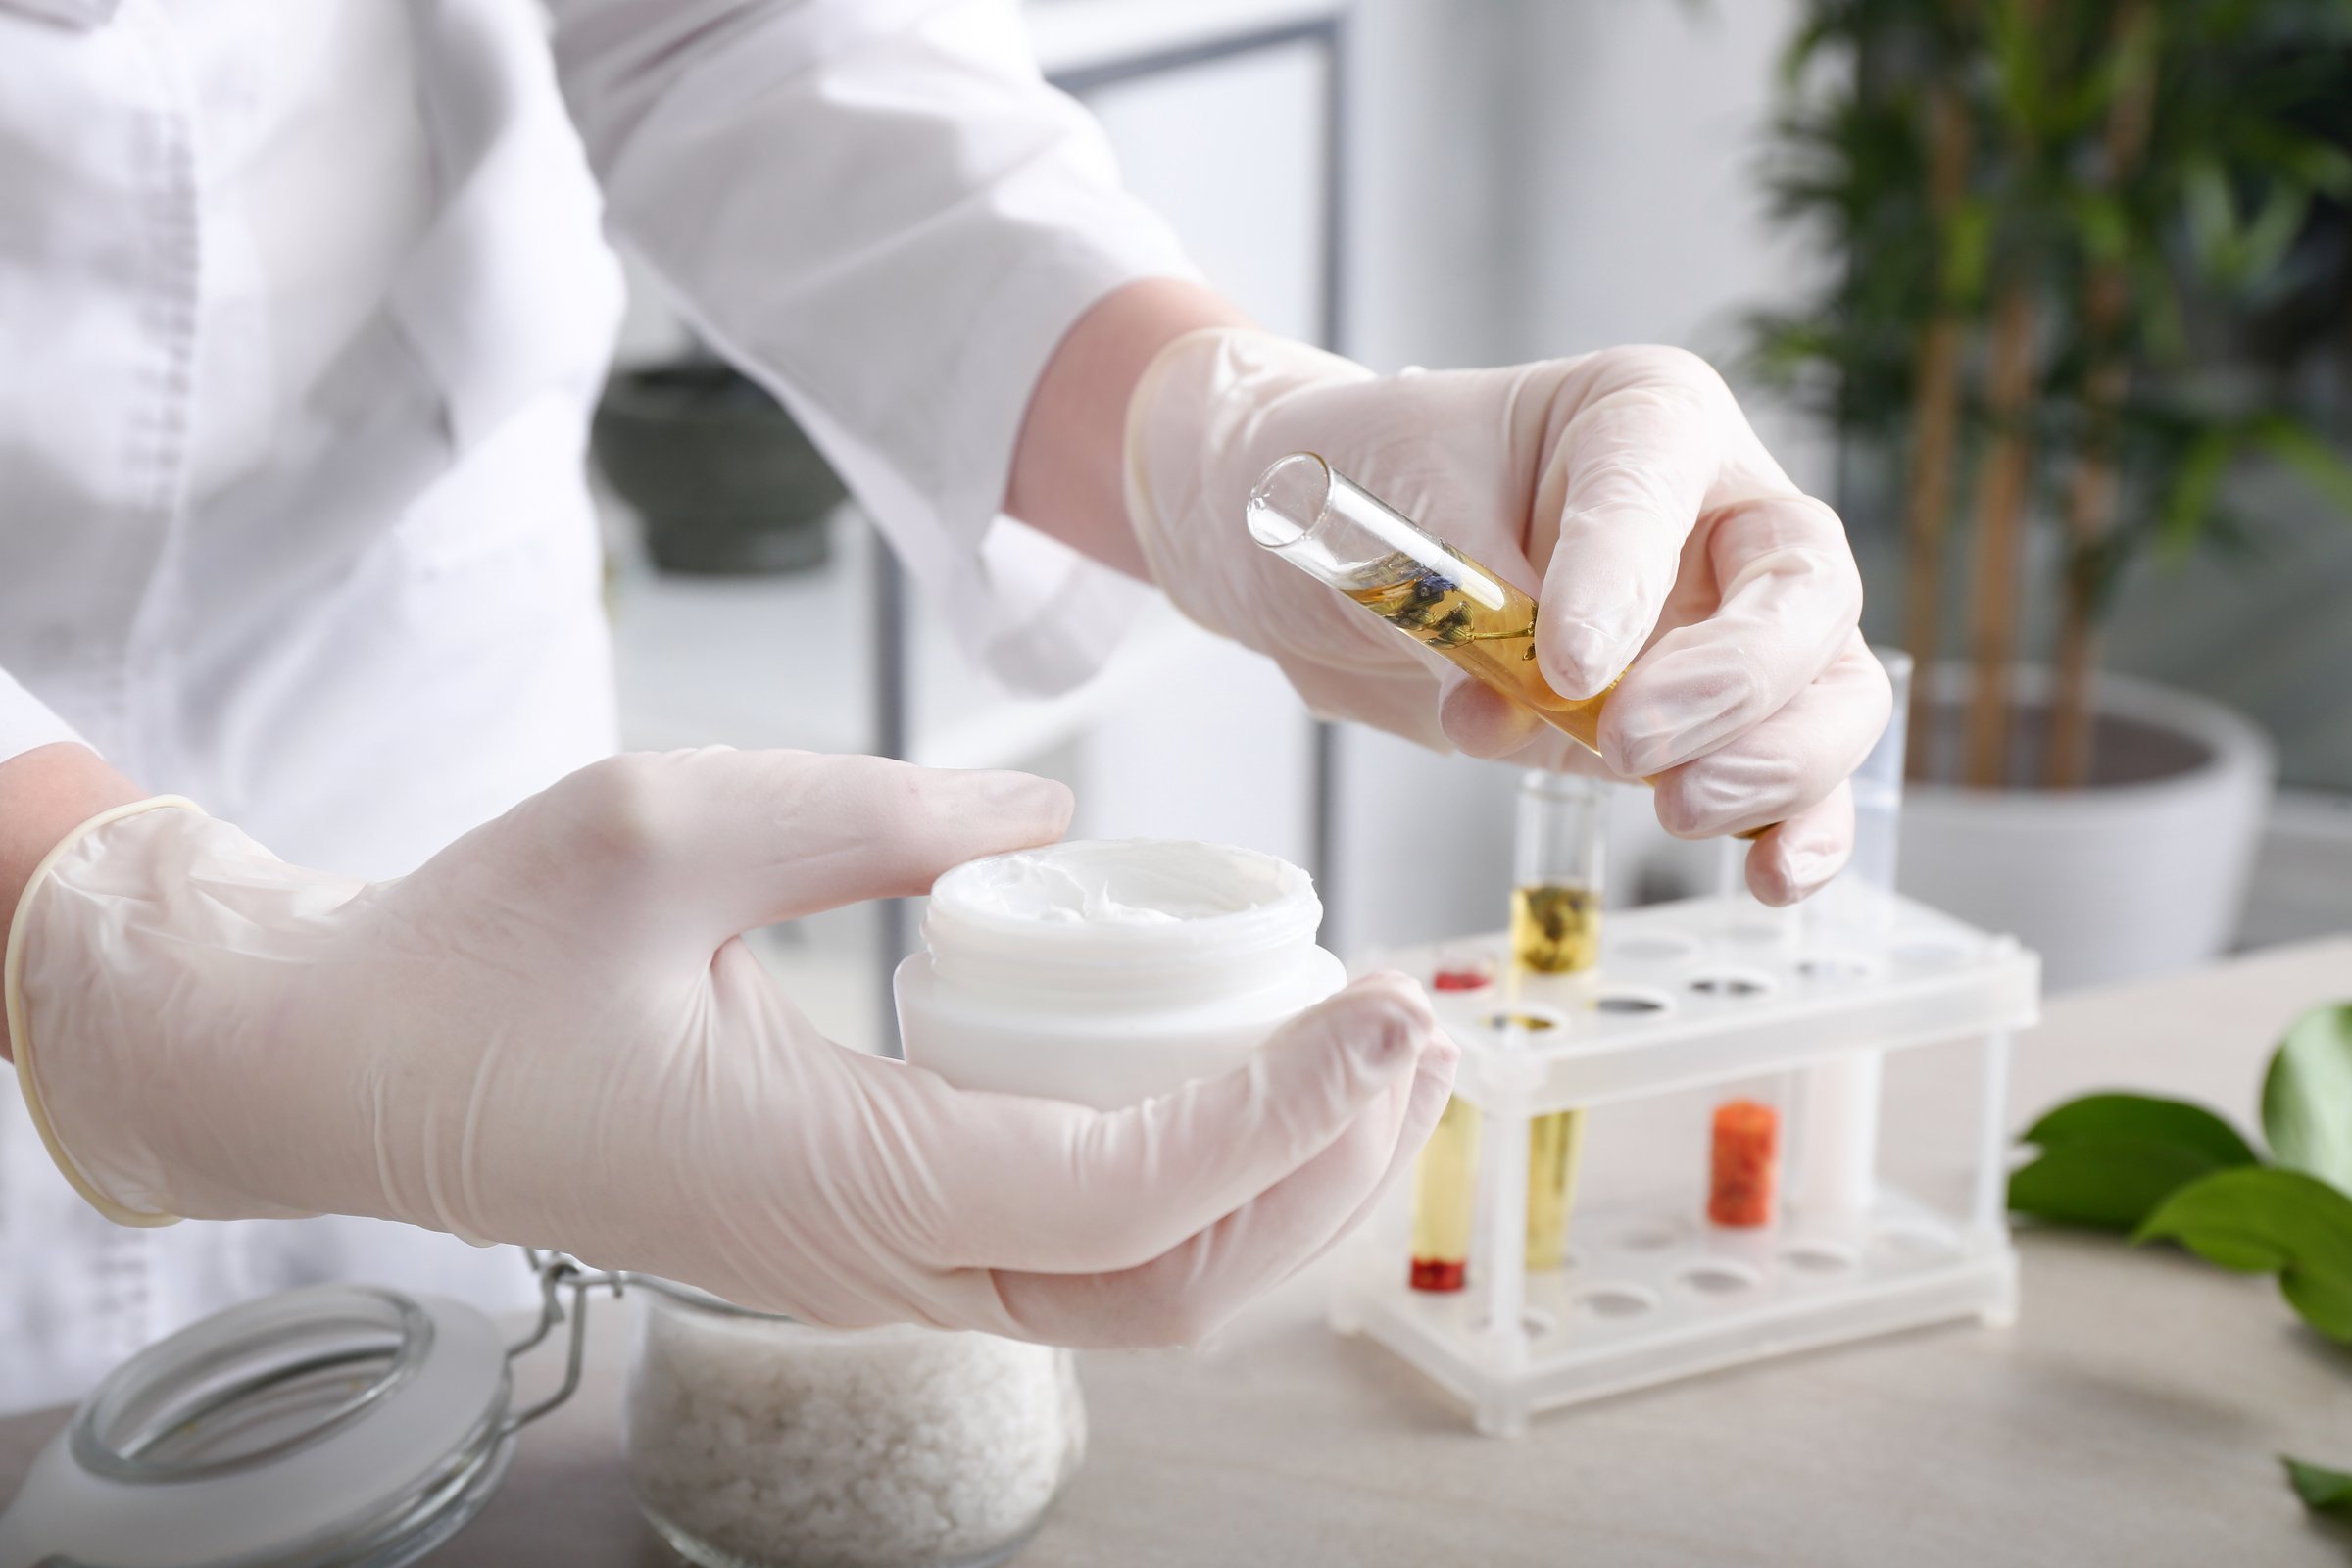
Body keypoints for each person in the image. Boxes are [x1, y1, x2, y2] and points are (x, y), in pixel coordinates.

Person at [0, 0, 1888, 1413]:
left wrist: (1212, 425)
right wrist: (121, 950)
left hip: (415, 727)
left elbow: (737, 27)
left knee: (484, 1427)